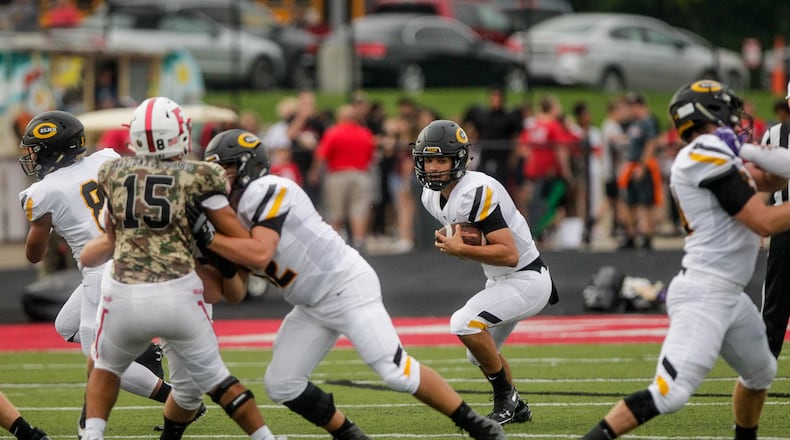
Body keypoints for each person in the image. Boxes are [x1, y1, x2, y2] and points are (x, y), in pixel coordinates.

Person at [198, 128, 507, 440]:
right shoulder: (229, 217)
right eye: (215, 169)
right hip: (311, 305)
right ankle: (349, 435)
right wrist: (206, 254)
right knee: (282, 383)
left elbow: (261, 251)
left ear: (250, 165)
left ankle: (477, 426)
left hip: (345, 287)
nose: (220, 178)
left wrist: (210, 238)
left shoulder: (265, 189)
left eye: (227, 168)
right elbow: (234, 293)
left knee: (395, 371)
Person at [580, 80, 790, 440]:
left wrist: (751, 152)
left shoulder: (717, 152)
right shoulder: (702, 155)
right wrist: (750, 151)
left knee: (760, 373)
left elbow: (772, 177)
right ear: (712, 113)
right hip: (705, 294)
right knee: (670, 393)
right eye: (729, 110)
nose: (738, 118)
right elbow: (764, 222)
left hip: (730, 295)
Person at [78, 97, 283, 440]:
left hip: (124, 291)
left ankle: (92, 435)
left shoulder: (112, 172)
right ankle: (265, 437)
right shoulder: (203, 175)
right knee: (218, 380)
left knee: (104, 367)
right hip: (178, 293)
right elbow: (237, 240)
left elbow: (100, 246)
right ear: (178, 134)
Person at [16, 110, 174, 438]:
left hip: (101, 271)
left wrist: (41, 222)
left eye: (34, 149)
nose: (30, 156)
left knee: (98, 360)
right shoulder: (106, 158)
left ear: (51, 150)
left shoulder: (45, 191)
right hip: (131, 256)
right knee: (66, 326)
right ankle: (144, 351)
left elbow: (34, 255)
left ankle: (174, 397)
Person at [412, 119, 559, 425]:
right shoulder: (430, 196)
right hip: (499, 280)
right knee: (476, 350)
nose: (434, 167)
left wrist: (461, 248)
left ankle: (506, 398)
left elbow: (509, 253)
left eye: (442, 160)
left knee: (464, 323)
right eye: (428, 159)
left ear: (459, 160)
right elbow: (471, 234)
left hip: (527, 278)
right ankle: (516, 406)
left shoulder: (477, 191)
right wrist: (461, 241)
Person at [307, 104, 376, 250]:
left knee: (336, 210)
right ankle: (359, 241)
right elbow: (371, 156)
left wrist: (314, 171)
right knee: (359, 209)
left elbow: (321, 154)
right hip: (361, 174)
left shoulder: (333, 132)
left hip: (338, 175)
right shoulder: (365, 133)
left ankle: (336, 243)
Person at [759, 80, 790, 359]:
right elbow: (763, 182)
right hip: (784, 228)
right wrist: (756, 224)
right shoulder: (774, 135)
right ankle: (762, 365)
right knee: (776, 301)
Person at [617, 92, 662, 250]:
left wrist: (642, 166)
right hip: (632, 165)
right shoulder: (633, 123)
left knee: (646, 202)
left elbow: (651, 143)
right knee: (630, 201)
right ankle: (631, 234)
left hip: (643, 166)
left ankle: (647, 234)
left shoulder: (647, 122)